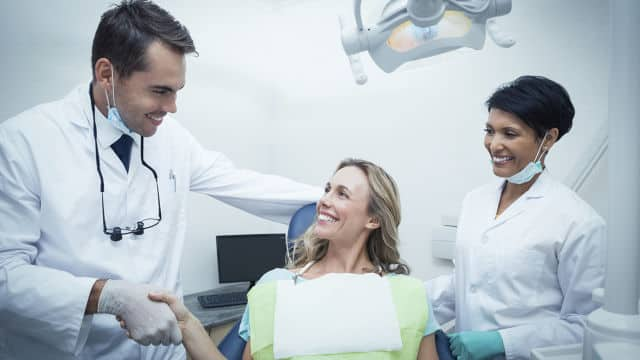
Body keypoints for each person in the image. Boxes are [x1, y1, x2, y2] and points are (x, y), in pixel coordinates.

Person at [0, 1, 319, 359]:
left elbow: (241, 184)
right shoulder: (22, 143)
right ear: (106, 74)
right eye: (160, 91)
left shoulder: (171, 138)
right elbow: (5, 274)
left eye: (177, 91)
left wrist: (334, 201)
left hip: (163, 353)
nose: (172, 108)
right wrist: (106, 296)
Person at [150, 158, 441, 359]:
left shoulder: (407, 294)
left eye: (342, 194)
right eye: (327, 189)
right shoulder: (275, 287)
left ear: (374, 219)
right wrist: (186, 323)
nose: (324, 199)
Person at [425, 76, 606, 359]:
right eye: (489, 131)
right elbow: (466, 282)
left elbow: (586, 325)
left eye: (509, 134)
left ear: (548, 138)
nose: (494, 144)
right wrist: (403, 299)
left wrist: (502, 341)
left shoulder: (579, 222)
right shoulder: (476, 200)